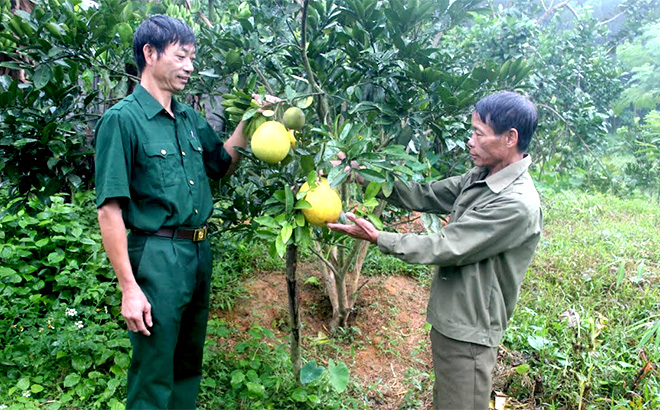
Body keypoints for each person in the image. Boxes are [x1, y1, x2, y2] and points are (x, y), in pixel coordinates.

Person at [327, 91, 543, 410]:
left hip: (472, 330)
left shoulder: (516, 204)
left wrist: (378, 238)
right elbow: (425, 195)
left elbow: (448, 246)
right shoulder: (483, 176)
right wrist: (358, 173)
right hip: (452, 319)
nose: (470, 141)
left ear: (510, 138)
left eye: (478, 134)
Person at [95, 15, 249, 409]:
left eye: (192, 57)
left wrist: (250, 125)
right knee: (154, 368)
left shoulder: (188, 118)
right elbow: (110, 210)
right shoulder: (122, 120)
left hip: (198, 253)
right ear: (150, 53)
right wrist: (129, 288)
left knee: (186, 364)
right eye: (181, 56)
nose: (190, 67)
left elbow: (220, 163)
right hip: (157, 257)